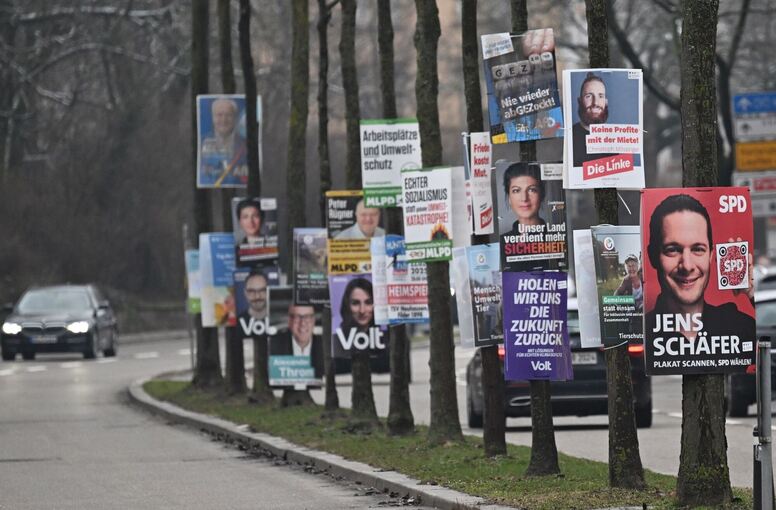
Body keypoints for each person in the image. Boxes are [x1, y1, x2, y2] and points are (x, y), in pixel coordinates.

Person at [645, 194, 754, 343]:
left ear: (710, 255)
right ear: (652, 256)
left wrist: (752, 295)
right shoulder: (641, 332)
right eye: (673, 250)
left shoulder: (737, 325)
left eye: (698, 249)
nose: (687, 266)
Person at [572, 73, 616, 167]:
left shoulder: (617, 139)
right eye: (589, 96)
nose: (595, 102)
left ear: (606, 102)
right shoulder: (569, 137)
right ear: (579, 101)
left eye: (600, 96)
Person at [269, 304, 324, 379]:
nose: (303, 323)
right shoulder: (274, 346)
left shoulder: (324, 347)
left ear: (313, 321)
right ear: (289, 321)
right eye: (297, 317)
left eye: (307, 317)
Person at [200, 98, 247, 184]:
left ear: (235, 118)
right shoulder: (201, 143)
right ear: (213, 117)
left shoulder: (246, 145)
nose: (224, 120)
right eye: (219, 115)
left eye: (228, 115)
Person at [237, 271, 268, 336]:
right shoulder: (237, 324)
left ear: (268, 291)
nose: (257, 296)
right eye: (251, 291)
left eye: (262, 290)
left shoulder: (279, 321)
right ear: (245, 293)